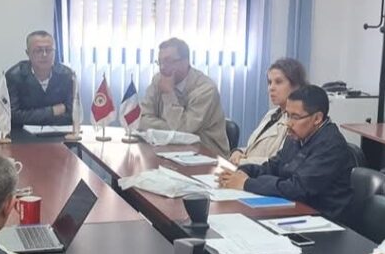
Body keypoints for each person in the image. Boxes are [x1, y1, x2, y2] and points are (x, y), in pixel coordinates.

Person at [219, 85, 353, 221]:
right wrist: (244, 171)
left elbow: (297, 189)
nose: (288, 123)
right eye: (287, 115)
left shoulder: (330, 146)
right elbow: (273, 167)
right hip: (293, 210)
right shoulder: (296, 136)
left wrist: (247, 183)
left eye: (295, 117)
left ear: (317, 118)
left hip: (323, 220)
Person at [139, 37, 229, 156]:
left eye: (168, 61)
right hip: (168, 150)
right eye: (160, 62)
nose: (163, 67)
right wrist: (170, 131)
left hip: (208, 155)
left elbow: (183, 129)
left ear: (185, 62)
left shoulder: (206, 89)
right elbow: (141, 119)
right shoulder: (159, 80)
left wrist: (169, 94)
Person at [229, 58, 307, 166]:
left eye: (278, 82)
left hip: (261, 173)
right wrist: (238, 152)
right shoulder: (272, 114)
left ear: (296, 85)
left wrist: (242, 162)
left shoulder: (297, 121)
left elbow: (280, 161)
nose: (271, 88)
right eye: (270, 82)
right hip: (246, 169)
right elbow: (255, 149)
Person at [5, 30, 76, 128]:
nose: (44, 55)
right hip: (23, 134)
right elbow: (13, 116)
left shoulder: (67, 75)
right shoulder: (14, 76)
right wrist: (52, 111)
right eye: (38, 51)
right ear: (28, 53)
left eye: (49, 50)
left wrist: (32, 116)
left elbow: (72, 114)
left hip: (59, 133)